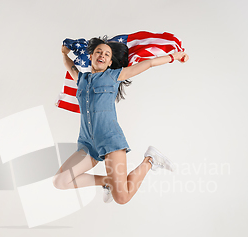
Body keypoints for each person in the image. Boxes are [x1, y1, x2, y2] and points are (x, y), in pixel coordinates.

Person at [53, 35, 189, 205]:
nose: (102, 55)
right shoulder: (81, 79)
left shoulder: (114, 76)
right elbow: (69, 64)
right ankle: (107, 182)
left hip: (110, 141)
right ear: (91, 57)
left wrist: (174, 57)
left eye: (107, 54)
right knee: (60, 181)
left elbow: (149, 63)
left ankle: (150, 160)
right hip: (87, 143)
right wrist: (64, 53)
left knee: (122, 198)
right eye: (98, 52)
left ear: (110, 62)